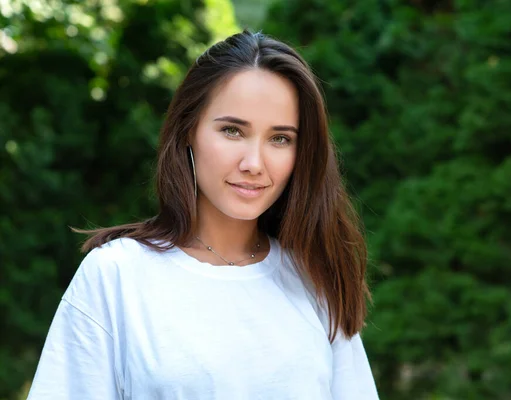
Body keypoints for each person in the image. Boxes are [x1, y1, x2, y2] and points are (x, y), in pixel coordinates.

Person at [27, 30, 378, 399]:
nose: (254, 163)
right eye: (232, 130)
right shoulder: (117, 277)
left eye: (280, 138)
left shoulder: (312, 279)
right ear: (189, 130)